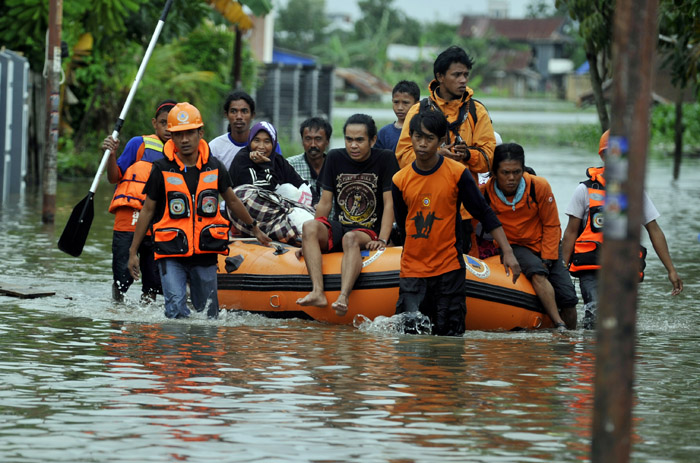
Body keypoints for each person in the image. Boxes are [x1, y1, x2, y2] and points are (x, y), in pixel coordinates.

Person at [128, 102, 271, 319]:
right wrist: (133, 251)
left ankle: (201, 353)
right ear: (172, 137)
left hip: (205, 252)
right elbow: (147, 210)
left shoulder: (214, 167)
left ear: (200, 133)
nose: (184, 140)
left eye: (189, 133)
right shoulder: (161, 169)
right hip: (171, 251)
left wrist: (255, 229)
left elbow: (232, 201)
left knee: (208, 316)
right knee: (175, 310)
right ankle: (177, 351)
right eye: (178, 134)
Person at [392, 110, 521, 336]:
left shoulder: (457, 173)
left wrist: (508, 251)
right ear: (410, 137)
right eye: (417, 137)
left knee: (449, 337)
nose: (422, 144)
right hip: (413, 270)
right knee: (410, 340)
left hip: (448, 269)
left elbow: (483, 212)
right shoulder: (400, 180)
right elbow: (404, 225)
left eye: (429, 138)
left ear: (442, 140)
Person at [561, 130, 683, 329]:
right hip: (590, 267)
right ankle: (591, 354)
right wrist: (562, 271)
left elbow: (654, 230)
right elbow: (570, 233)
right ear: (603, 156)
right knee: (594, 315)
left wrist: (671, 270)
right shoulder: (584, 190)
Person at [395, 46, 496, 254]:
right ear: (440, 76)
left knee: (463, 268)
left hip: (463, 209)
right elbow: (403, 156)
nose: (463, 80)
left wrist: (466, 154)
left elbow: (488, 158)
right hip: (424, 204)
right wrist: (436, 154)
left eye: (466, 75)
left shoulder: (477, 111)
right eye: (456, 75)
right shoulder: (418, 110)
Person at [295, 114, 399, 315]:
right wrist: (310, 240)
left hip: (368, 230)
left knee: (350, 239)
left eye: (359, 140)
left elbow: (389, 204)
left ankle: (343, 296)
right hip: (340, 225)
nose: (353, 145)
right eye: (349, 139)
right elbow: (325, 202)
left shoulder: (385, 159)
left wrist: (384, 239)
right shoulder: (334, 157)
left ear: (373, 140)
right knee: (309, 227)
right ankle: (317, 292)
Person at [481, 143, 578, 330]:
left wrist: (548, 258)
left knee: (569, 297)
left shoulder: (539, 186)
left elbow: (551, 225)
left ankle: (571, 338)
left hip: (543, 244)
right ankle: (559, 324)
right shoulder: (485, 193)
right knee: (537, 272)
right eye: (505, 173)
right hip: (513, 246)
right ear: (494, 172)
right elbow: (470, 225)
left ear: (523, 170)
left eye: (517, 172)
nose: (511, 178)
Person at [102, 99, 176, 303]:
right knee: (121, 279)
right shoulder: (138, 144)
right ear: (155, 123)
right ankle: (117, 312)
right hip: (129, 220)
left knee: (152, 283)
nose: (168, 129)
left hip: (159, 225)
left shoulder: (182, 153)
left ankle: (148, 329)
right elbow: (114, 177)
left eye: (173, 124)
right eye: (163, 123)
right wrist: (112, 154)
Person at [209, 91, 283, 170]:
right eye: (233, 111)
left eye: (244, 111)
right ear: (226, 115)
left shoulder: (269, 144)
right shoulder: (215, 147)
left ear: (252, 115)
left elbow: (281, 172)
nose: (239, 116)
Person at [229, 121, 306, 192]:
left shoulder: (278, 160)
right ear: (250, 141)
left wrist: (314, 202)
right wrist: (266, 165)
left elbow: (300, 183)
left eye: (267, 141)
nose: (261, 146)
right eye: (256, 140)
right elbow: (258, 192)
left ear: (273, 144)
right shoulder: (243, 159)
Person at [287, 117, 333, 205]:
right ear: (302, 141)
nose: (312, 144)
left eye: (318, 139)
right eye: (308, 139)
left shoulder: (335, 167)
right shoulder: (290, 165)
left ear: (327, 142)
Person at [375, 80, 420, 153]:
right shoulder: (384, 133)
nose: (400, 108)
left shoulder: (423, 130)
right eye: (396, 102)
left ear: (417, 104)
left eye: (405, 103)